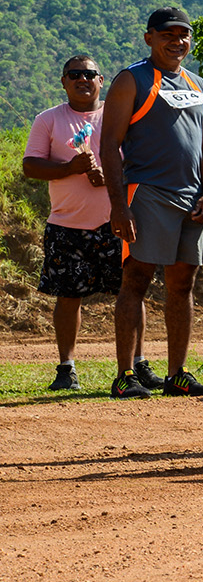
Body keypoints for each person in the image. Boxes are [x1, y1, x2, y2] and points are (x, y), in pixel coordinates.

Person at [98, 8, 203, 399]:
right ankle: (124, 375)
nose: (177, 41)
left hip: (191, 199)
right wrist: (119, 205)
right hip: (146, 193)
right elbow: (109, 146)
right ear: (149, 37)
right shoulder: (131, 79)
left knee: (183, 283)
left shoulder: (195, 83)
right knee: (137, 279)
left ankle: (177, 374)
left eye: (183, 35)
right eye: (167, 34)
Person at [24, 54, 136, 392]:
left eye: (90, 74)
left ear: (102, 81)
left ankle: (136, 365)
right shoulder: (48, 120)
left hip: (117, 221)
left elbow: (140, 162)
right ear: (63, 81)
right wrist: (69, 169)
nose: (82, 79)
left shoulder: (121, 119)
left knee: (131, 293)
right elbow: (31, 166)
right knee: (68, 296)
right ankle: (67, 367)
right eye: (74, 74)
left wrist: (113, 178)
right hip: (66, 224)